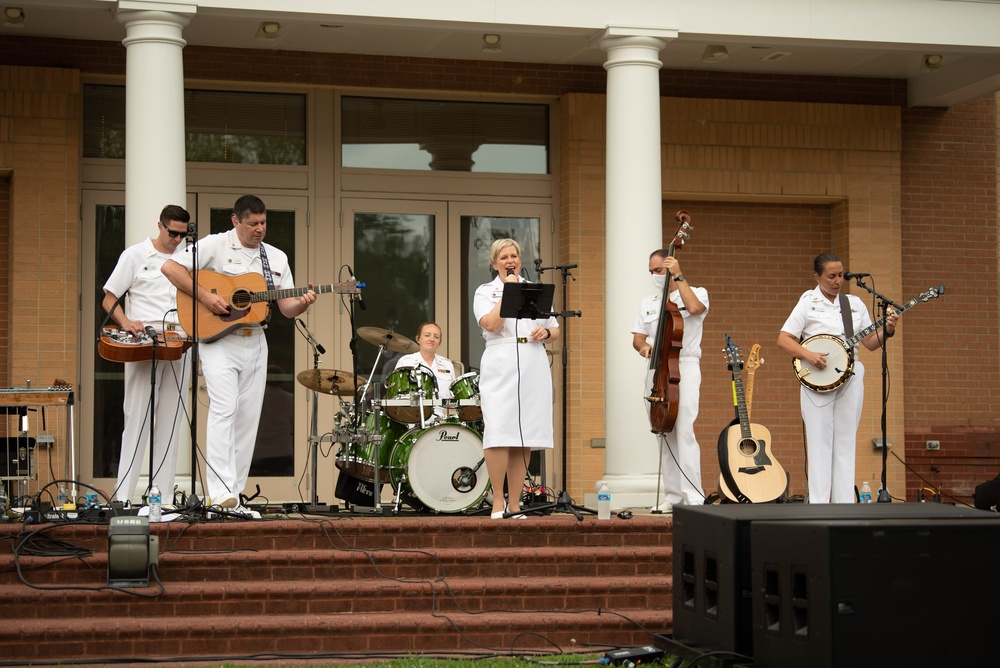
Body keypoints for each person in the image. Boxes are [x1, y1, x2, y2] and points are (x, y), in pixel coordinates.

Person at [161, 195, 316, 512]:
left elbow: (286, 309)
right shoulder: (216, 245)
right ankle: (217, 493)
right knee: (224, 410)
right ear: (236, 221)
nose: (260, 229)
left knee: (248, 419)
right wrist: (207, 298)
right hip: (220, 341)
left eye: (264, 223)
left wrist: (303, 302)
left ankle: (234, 495)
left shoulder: (275, 257)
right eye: (253, 223)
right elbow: (170, 267)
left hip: (256, 340)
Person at [776, 252, 898, 504]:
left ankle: (844, 504)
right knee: (820, 442)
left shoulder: (853, 304)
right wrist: (808, 355)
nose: (837, 281)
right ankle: (819, 504)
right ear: (817, 277)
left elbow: (870, 344)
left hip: (850, 376)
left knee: (845, 440)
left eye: (841, 275)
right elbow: (784, 339)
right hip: (817, 380)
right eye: (831, 276)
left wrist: (887, 331)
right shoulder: (808, 302)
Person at [102, 204, 192, 506]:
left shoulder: (189, 257)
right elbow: (109, 298)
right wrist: (126, 323)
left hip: (179, 341)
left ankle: (163, 497)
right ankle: (123, 495)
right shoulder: (135, 254)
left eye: (182, 234)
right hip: (144, 342)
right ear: (160, 225)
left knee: (171, 419)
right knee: (137, 415)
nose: (177, 239)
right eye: (172, 233)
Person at [474, 238, 560, 519]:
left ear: (519, 259)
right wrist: (508, 292)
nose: (509, 260)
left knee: (524, 434)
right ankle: (498, 501)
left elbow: (554, 327)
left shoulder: (533, 289)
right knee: (499, 430)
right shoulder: (485, 291)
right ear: (494, 262)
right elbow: (492, 324)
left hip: (533, 358)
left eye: (514, 256)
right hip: (501, 360)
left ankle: (515, 503)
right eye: (503, 257)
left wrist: (545, 334)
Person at [632, 250, 709, 513]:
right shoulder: (649, 302)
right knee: (662, 430)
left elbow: (696, 309)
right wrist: (643, 348)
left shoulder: (696, 291)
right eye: (652, 271)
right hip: (656, 369)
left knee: (684, 428)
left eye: (659, 270)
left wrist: (678, 274)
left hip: (684, 364)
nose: (655, 276)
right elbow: (638, 337)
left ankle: (693, 493)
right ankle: (673, 494)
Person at [392, 322, 457, 421]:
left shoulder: (447, 364)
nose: (431, 339)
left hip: (438, 421)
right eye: (427, 335)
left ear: (439, 342)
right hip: (410, 420)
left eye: (436, 337)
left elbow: (452, 398)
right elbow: (395, 395)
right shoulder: (406, 362)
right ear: (418, 339)